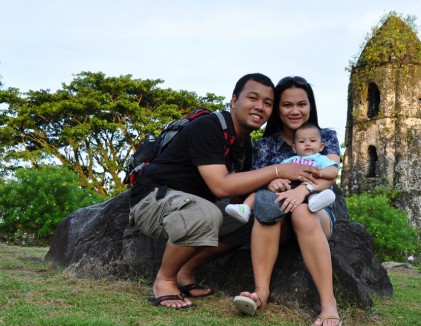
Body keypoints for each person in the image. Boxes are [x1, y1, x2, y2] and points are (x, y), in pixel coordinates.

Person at [129, 73, 325, 310]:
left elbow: (237, 196)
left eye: (267, 103)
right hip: (155, 200)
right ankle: (165, 280)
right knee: (207, 214)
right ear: (234, 100)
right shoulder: (208, 127)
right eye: (252, 98)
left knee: (255, 221)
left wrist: (274, 187)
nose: (259, 107)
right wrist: (278, 171)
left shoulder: (246, 147)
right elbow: (220, 186)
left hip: (193, 207)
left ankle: (184, 271)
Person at [233, 76, 342, 326]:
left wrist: (303, 189)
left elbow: (331, 174)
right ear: (276, 109)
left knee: (304, 211)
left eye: (301, 104)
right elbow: (258, 180)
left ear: (310, 106)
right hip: (279, 220)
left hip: (316, 215)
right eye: (287, 105)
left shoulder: (324, 136)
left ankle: (329, 305)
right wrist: (271, 182)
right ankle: (261, 292)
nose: (295, 111)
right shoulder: (266, 144)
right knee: (266, 210)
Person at [225, 123, 338, 223]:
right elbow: (278, 172)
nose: (307, 144)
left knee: (314, 192)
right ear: (294, 148)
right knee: (261, 191)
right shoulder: (290, 160)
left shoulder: (321, 159)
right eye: (302, 141)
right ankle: (245, 208)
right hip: (288, 187)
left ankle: (314, 203)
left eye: (312, 141)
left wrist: (319, 173)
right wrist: (275, 180)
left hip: (309, 184)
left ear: (321, 147)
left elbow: (334, 171)